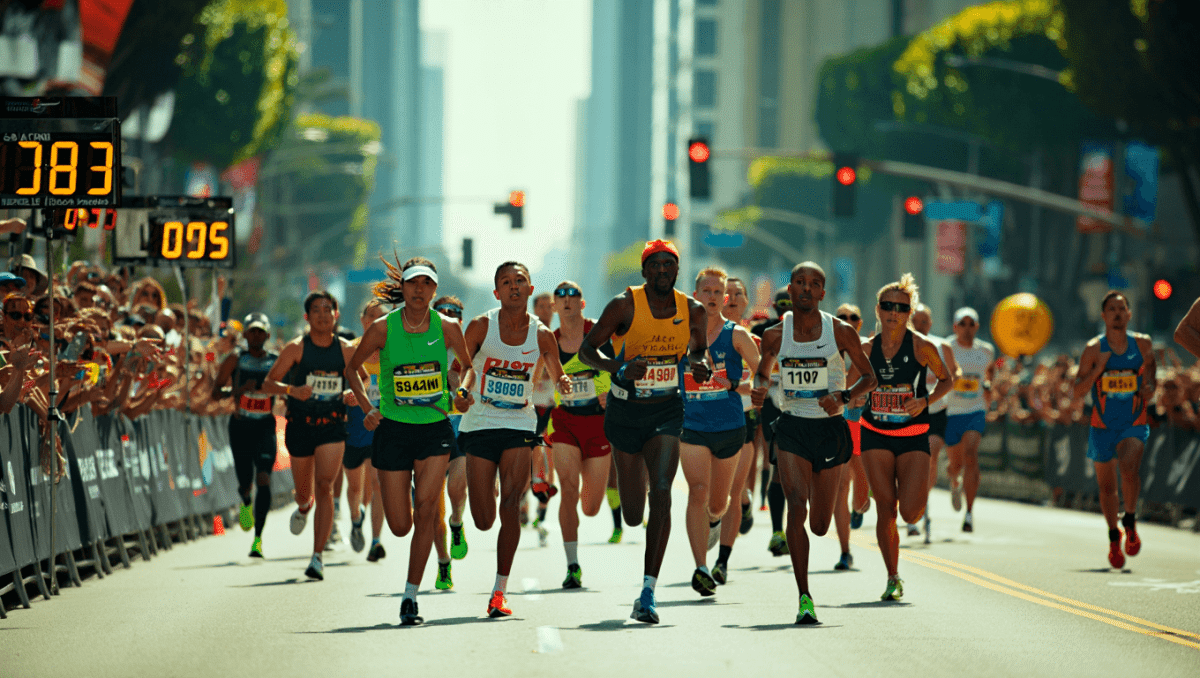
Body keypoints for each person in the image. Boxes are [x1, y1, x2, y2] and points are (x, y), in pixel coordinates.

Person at [580, 239, 711, 624]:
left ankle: (648, 591)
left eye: (668, 264)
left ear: (676, 269)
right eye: (654, 265)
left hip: (667, 411)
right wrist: (617, 369)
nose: (661, 271)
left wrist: (698, 365)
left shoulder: (693, 310)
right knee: (634, 513)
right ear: (643, 272)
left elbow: (697, 351)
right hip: (624, 413)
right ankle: (626, 478)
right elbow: (588, 350)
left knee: (664, 493)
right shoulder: (624, 305)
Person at [345, 257, 472, 625]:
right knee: (401, 524)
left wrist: (462, 391)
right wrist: (369, 407)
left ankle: (410, 597)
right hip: (393, 430)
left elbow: (467, 366)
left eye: (426, 284)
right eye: (413, 283)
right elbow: (352, 368)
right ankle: (406, 531)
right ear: (403, 288)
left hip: (434, 427)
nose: (419, 290)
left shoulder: (447, 327)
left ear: (434, 289)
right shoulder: (384, 328)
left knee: (428, 512)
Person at [751, 263, 876, 624]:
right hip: (791, 426)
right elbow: (763, 369)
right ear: (790, 289)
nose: (806, 289)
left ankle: (815, 550)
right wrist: (760, 387)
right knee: (796, 504)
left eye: (814, 284)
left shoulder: (840, 332)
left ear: (823, 293)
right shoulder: (775, 335)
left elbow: (870, 376)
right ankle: (804, 596)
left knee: (820, 524)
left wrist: (844, 397)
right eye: (800, 283)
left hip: (829, 429)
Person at [454, 261, 571, 618]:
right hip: (479, 423)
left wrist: (563, 384)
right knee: (483, 519)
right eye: (506, 282)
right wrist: (461, 390)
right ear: (497, 292)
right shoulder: (480, 326)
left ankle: (499, 591)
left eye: (520, 280)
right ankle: (482, 489)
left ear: (531, 288)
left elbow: (557, 373)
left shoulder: (541, 335)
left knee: (510, 506)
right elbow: (465, 368)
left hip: (519, 424)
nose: (514, 286)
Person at [858, 274, 951, 601]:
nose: (894, 312)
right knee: (886, 507)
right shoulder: (866, 348)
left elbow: (947, 380)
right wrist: (857, 397)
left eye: (901, 307)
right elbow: (854, 384)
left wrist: (924, 401)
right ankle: (892, 576)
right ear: (878, 310)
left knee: (910, 513)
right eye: (888, 306)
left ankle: (912, 488)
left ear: (909, 311)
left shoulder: (922, 346)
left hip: (913, 435)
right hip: (875, 433)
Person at [262, 291, 357, 581]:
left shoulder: (346, 349)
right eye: (316, 309)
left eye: (328, 309)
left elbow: (362, 379)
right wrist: (292, 390)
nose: (322, 314)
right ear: (307, 317)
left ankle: (317, 556)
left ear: (336, 315)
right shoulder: (295, 349)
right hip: (301, 424)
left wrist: (353, 392)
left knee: (326, 485)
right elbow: (268, 384)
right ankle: (304, 506)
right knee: (306, 492)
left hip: (332, 424)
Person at [679, 267, 760, 596]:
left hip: (729, 428)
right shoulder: (682, 335)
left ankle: (714, 521)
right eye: (706, 291)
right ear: (696, 295)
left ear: (724, 299)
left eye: (718, 292)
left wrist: (736, 384)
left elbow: (763, 376)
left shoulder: (737, 335)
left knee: (718, 504)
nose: (712, 297)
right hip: (692, 425)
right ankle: (700, 567)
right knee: (697, 491)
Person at [1072, 291, 1155, 570]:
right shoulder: (1094, 348)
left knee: (1129, 470)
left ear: (1130, 314)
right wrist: (1098, 371)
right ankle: (1112, 536)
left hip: (1133, 422)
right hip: (1102, 426)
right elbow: (1078, 391)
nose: (1118, 313)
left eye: (1122, 308)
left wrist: (1148, 388)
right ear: (1103, 315)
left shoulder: (1143, 344)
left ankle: (1129, 520)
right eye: (1112, 309)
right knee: (1107, 488)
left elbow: (1151, 379)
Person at [547, 280, 612, 589]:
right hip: (565, 423)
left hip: (599, 424)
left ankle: (592, 506)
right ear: (554, 306)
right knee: (568, 489)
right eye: (561, 296)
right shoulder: (547, 340)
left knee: (591, 506)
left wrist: (612, 394)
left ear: (582, 304)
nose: (568, 299)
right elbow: (533, 380)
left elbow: (622, 370)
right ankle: (572, 565)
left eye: (574, 294)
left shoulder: (599, 334)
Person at [211, 312, 279, 557]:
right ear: (245, 334)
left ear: (267, 335)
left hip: (264, 426)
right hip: (240, 426)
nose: (256, 335)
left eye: (261, 331)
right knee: (245, 482)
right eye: (252, 331)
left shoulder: (275, 361)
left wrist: (275, 391)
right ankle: (246, 502)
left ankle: (258, 539)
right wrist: (239, 391)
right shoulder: (234, 360)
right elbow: (215, 393)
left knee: (264, 479)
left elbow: (288, 386)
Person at [712, 276, 760, 583]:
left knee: (730, 489)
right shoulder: (700, 335)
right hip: (705, 420)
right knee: (709, 492)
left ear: (744, 303)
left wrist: (735, 386)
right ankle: (738, 500)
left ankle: (722, 561)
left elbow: (765, 380)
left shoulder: (752, 342)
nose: (729, 297)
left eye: (736, 293)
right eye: (724, 292)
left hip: (743, 420)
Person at [909, 303, 959, 543]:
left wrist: (950, 382)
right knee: (909, 461)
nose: (920, 326)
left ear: (930, 323)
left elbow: (955, 373)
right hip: (909, 410)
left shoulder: (942, 346)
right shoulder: (902, 344)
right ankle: (912, 504)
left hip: (936, 409)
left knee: (930, 457)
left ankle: (922, 504)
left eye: (924, 321)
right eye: (916, 321)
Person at [344, 299, 388, 564]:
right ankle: (356, 518)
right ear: (362, 320)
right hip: (354, 426)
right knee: (354, 487)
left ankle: (376, 541)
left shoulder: (393, 349)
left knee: (378, 484)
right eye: (370, 316)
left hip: (381, 426)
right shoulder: (350, 349)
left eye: (380, 317)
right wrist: (347, 394)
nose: (374, 320)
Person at [943, 307, 995, 533]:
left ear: (977, 326)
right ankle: (954, 481)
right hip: (951, 411)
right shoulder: (946, 347)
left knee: (971, 454)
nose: (966, 328)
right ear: (955, 327)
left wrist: (988, 388)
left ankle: (970, 513)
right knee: (956, 464)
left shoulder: (986, 350)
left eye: (970, 323)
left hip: (975, 410)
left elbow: (991, 373)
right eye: (962, 323)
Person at [831, 303, 874, 569]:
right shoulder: (826, 348)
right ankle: (845, 551)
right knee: (840, 486)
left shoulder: (867, 348)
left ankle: (858, 507)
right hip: (838, 420)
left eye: (853, 317)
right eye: (842, 317)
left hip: (863, 420)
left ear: (859, 322)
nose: (847, 320)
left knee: (861, 494)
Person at [752, 288, 791, 557]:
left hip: (806, 406)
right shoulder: (762, 331)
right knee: (777, 463)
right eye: (782, 305)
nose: (786, 310)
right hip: (772, 406)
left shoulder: (815, 328)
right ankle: (778, 531)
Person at [432, 295, 470, 562]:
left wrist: (459, 387)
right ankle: (443, 561)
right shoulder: (420, 346)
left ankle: (457, 521)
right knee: (433, 506)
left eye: (453, 312)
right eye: (442, 312)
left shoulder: (470, 350)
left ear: (461, 319)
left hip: (459, 426)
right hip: (427, 427)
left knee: (457, 489)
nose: (448, 315)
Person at [529, 290, 558, 545]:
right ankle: (522, 506)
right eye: (541, 306)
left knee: (548, 463)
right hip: (527, 408)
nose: (546, 310)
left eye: (550, 306)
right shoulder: (527, 337)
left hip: (550, 408)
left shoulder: (558, 338)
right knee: (528, 461)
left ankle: (542, 514)